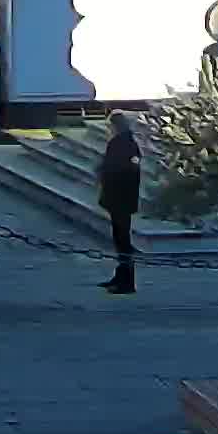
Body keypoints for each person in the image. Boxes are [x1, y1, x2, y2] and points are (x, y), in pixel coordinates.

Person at [96, 112, 142, 296]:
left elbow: (122, 171)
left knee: (122, 240)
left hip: (120, 199)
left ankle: (127, 282)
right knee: (120, 239)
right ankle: (120, 276)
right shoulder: (125, 143)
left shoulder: (123, 144)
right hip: (121, 199)